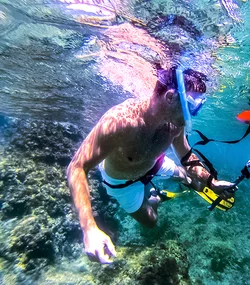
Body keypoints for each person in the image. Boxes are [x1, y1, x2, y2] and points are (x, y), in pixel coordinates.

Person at [66, 67, 237, 264]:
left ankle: (188, 182)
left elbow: (186, 155)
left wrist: (211, 181)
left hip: (155, 162)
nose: (193, 115)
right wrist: (89, 229)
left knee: (184, 174)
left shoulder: (175, 124)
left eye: (199, 106)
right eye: (192, 106)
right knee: (151, 222)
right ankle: (156, 197)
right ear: (171, 97)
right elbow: (77, 167)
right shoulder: (120, 122)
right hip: (122, 182)